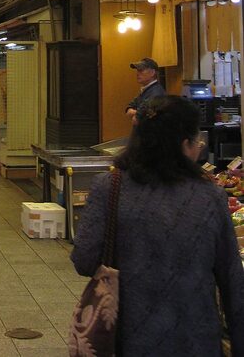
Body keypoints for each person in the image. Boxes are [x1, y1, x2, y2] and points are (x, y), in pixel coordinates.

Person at [71, 96, 244, 356]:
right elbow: (232, 282)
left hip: (127, 337)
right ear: (185, 145)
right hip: (196, 339)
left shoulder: (110, 187)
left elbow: (84, 259)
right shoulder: (210, 197)